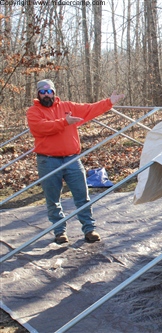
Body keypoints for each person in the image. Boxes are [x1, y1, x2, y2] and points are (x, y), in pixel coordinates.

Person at [27, 79, 125, 244]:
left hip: (72, 158)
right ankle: (59, 232)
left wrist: (108, 103)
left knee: (81, 194)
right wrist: (64, 122)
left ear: (54, 92)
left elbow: (89, 109)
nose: (46, 95)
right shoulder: (33, 111)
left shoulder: (67, 106)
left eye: (49, 91)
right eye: (42, 92)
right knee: (53, 199)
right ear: (38, 94)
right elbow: (41, 128)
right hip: (48, 160)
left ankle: (89, 229)